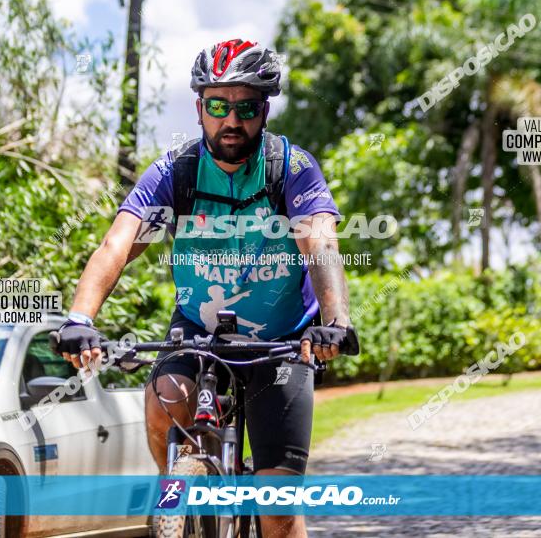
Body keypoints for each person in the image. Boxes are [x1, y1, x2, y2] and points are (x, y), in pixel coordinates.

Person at [51, 39, 356, 538]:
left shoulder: (291, 168)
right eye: (218, 106)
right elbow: (117, 244)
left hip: (281, 341)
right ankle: (182, 495)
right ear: (199, 108)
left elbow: (320, 240)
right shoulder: (177, 171)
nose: (230, 121)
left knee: (277, 511)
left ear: (264, 111)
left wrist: (335, 321)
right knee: (162, 400)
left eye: (246, 108)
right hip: (198, 331)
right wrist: (81, 318)